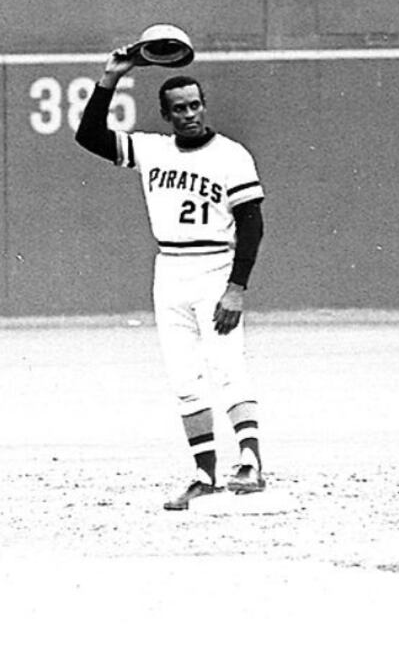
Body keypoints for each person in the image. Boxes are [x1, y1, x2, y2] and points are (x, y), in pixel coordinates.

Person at [74, 45, 267, 510]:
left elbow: (252, 224)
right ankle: (205, 473)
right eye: (178, 108)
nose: (189, 114)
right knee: (184, 376)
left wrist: (236, 288)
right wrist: (110, 77)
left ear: (204, 106)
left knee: (227, 366)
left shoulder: (231, 155)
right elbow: (89, 135)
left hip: (215, 267)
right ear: (166, 114)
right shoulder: (153, 150)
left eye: (194, 105)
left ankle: (250, 462)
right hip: (170, 271)